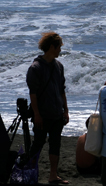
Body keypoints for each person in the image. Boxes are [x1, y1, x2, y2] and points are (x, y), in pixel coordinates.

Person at [26, 32, 70, 185]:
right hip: (42, 115)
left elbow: (62, 90)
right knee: (37, 143)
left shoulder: (59, 66)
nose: (60, 50)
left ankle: (53, 175)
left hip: (57, 113)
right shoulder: (35, 68)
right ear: (52, 47)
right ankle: (30, 173)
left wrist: (66, 110)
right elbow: (33, 94)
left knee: (55, 143)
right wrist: (37, 114)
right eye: (59, 47)